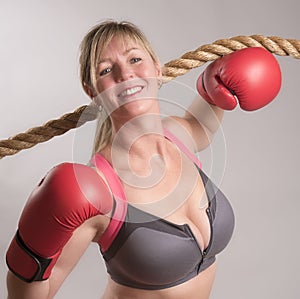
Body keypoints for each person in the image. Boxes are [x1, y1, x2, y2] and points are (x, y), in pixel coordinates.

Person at [5, 20, 281, 299]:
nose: (125, 74)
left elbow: (204, 124)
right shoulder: (98, 190)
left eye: (135, 59)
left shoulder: (179, 136)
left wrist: (216, 86)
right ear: (93, 93)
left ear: (157, 69)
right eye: (106, 70)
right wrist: (30, 252)